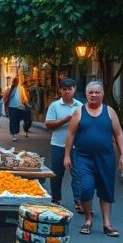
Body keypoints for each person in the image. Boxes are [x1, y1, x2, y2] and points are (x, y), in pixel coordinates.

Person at [64, 81, 123, 236]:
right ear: (86, 94)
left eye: (96, 92)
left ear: (102, 95)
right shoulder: (79, 112)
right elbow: (71, 134)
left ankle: (107, 223)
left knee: (106, 190)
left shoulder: (109, 112)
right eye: (90, 92)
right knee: (85, 189)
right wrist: (66, 155)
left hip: (106, 157)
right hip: (83, 157)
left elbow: (119, 133)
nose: (93, 95)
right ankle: (88, 218)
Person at [45, 78, 83, 207]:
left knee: (77, 174)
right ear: (60, 90)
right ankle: (56, 199)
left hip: (76, 146)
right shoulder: (54, 106)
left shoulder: (80, 106)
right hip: (58, 144)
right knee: (56, 173)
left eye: (70, 89)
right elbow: (49, 124)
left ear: (74, 90)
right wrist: (67, 119)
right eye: (64, 89)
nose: (67, 92)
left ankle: (79, 200)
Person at [4, 77, 28, 142]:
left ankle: (16, 132)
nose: (16, 82)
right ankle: (14, 135)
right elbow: (6, 96)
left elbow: (24, 96)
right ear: (13, 81)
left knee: (17, 120)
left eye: (17, 81)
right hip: (11, 107)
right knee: (13, 120)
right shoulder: (9, 88)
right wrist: (12, 89)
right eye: (15, 81)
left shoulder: (21, 88)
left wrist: (26, 103)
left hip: (20, 107)